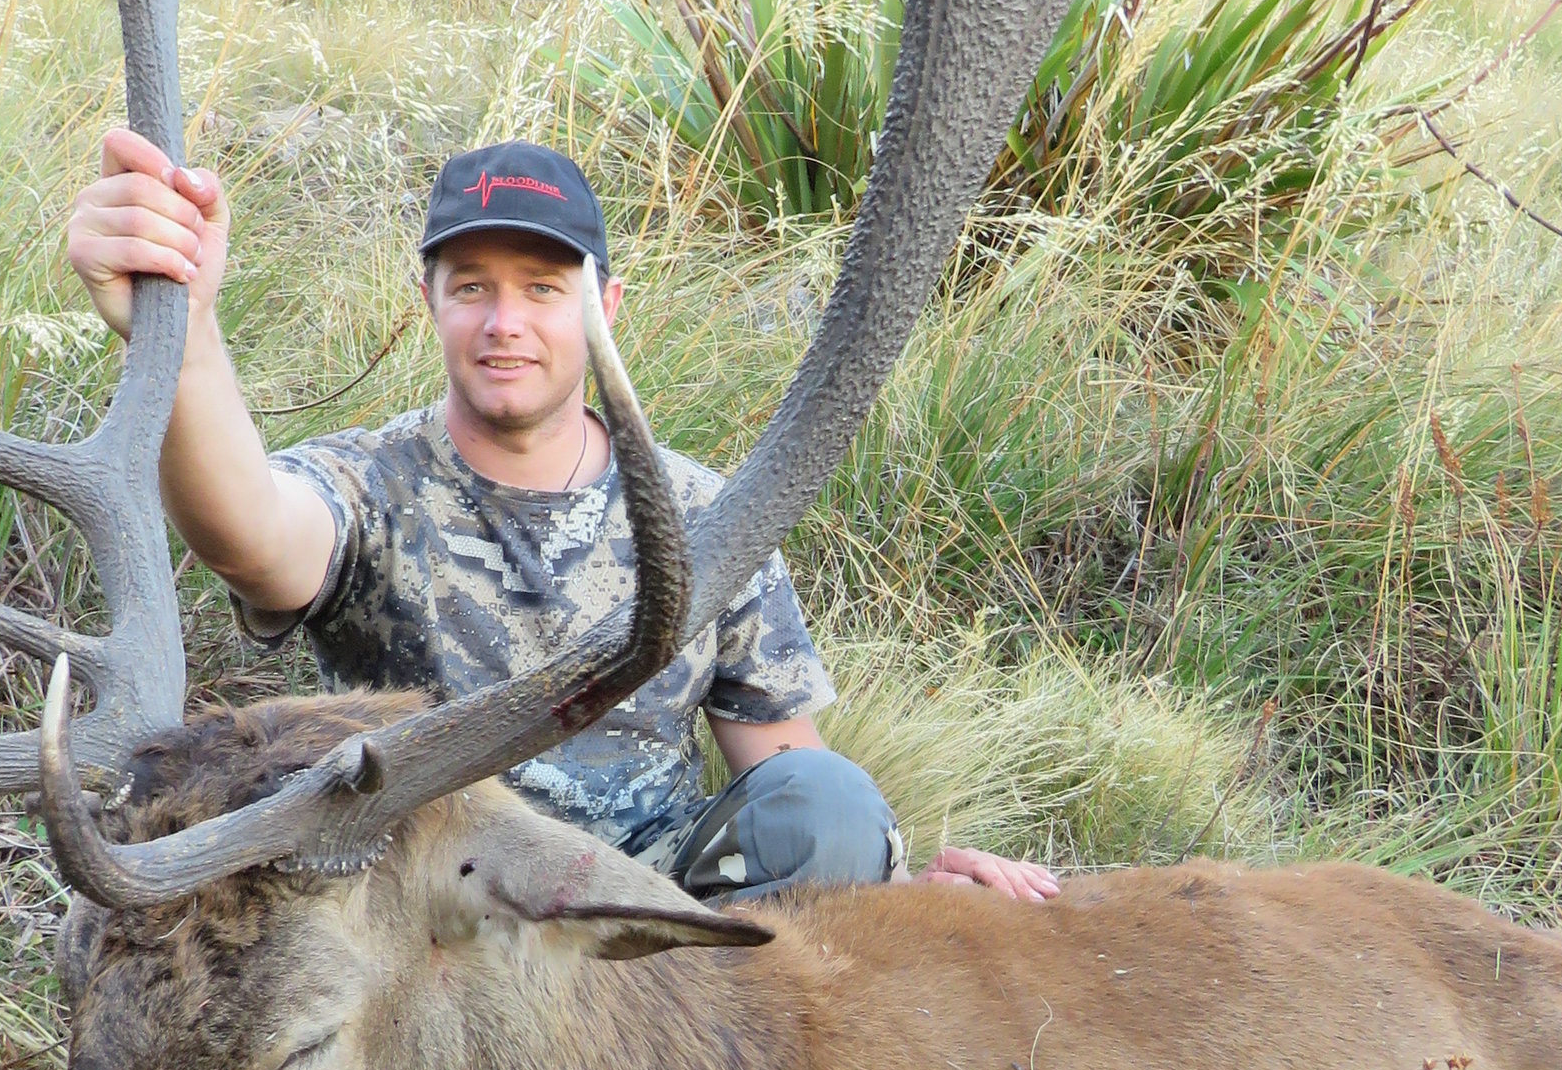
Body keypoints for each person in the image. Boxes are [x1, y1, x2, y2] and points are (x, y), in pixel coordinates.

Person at [65, 128, 1059, 905]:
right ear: (430, 304)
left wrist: (898, 882)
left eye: (543, 290)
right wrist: (185, 335)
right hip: (434, 899)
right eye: (474, 290)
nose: (506, 323)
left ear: (605, 306)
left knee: (833, 808)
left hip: (648, 914)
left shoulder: (706, 512)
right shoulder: (368, 483)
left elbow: (791, 780)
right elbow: (251, 537)